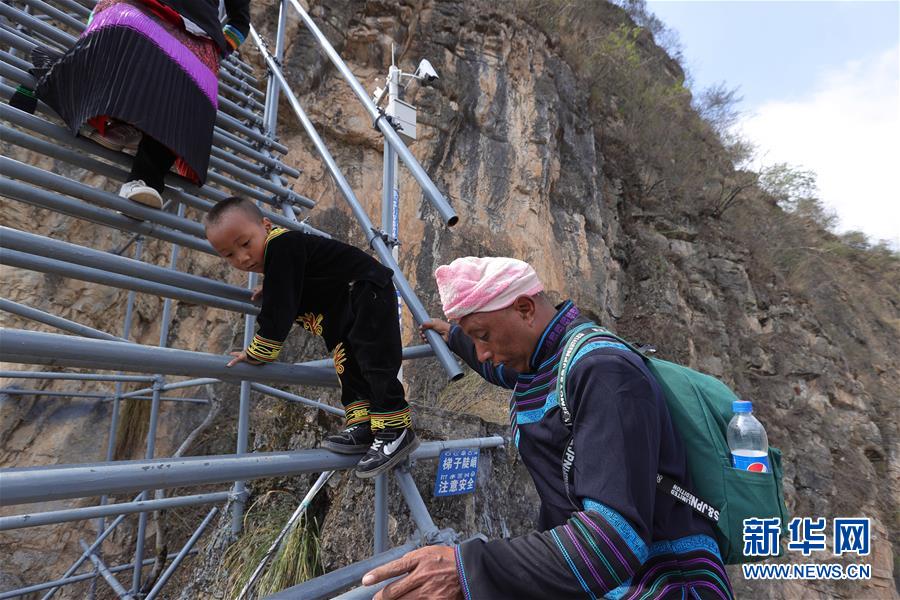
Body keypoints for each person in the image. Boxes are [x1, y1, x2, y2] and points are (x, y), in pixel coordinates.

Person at [361, 256, 733, 599]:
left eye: (483, 335)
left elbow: (614, 541)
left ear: (524, 308)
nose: (484, 352)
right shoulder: (545, 360)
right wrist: (456, 337)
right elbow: (502, 370)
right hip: (605, 580)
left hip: (664, 581)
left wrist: (467, 570)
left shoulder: (604, 374)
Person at [204, 197, 418, 478]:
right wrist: (270, 285)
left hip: (366, 290)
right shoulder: (279, 258)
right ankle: (365, 424)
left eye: (245, 243)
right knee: (347, 365)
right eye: (229, 255)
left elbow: (280, 306)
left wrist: (258, 352)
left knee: (373, 359)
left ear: (267, 226)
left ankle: (395, 428)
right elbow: (288, 284)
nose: (242, 258)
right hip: (346, 305)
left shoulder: (282, 245)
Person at [30, 0, 250, 209]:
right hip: (140, 7)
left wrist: (217, 48)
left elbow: (239, 22)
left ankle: (145, 178)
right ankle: (113, 118)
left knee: (194, 80)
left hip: (200, 31)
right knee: (121, 21)